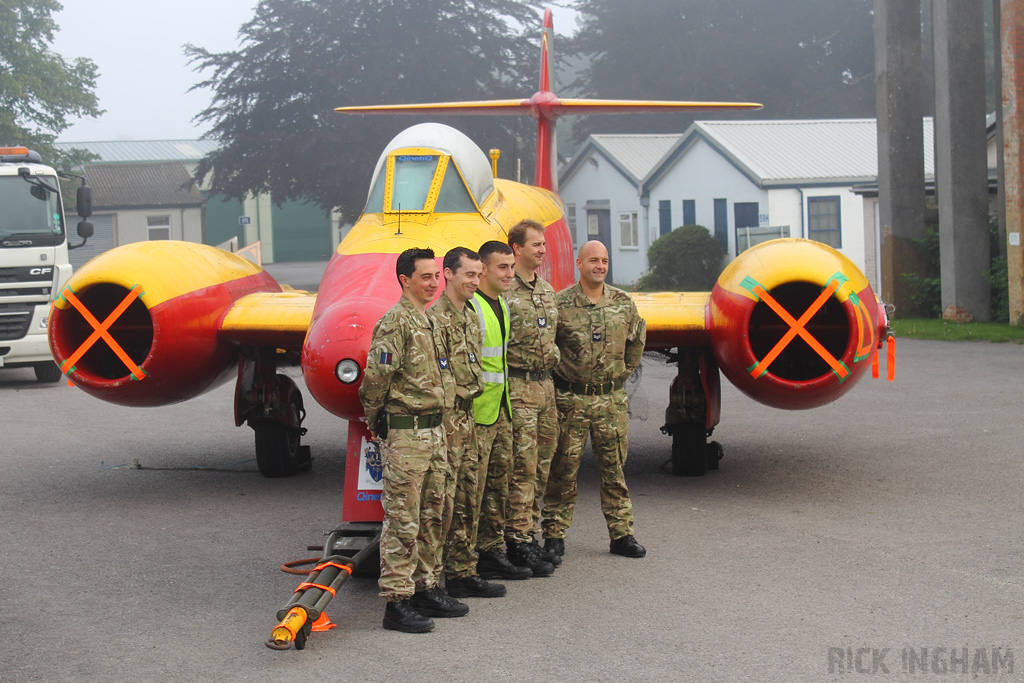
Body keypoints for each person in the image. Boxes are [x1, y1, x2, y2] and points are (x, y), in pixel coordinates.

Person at [359, 247, 468, 634]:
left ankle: (424, 587)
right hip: (407, 434)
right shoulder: (395, 322)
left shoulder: (431, 321)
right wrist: (380, 423)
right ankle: (396, 602)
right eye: (426, 277)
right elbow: (374, 381)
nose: (434, 283)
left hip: (435, 432)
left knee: (433, 514)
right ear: (405, 280)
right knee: (404, 519)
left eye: (436, 276)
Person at [541, 240, 648, 562]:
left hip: (610, 402)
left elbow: (636, 343)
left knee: (614, 471)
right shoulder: (560, 304)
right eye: (593, 261)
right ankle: (554, 536)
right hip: (570, 401)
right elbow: (548, 348)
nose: (599, 266)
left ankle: (622, 534)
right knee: (563, 472)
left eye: (604, 261)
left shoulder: (622, 303)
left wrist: (618, 379)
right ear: (579, 263)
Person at [428, 247, 507, 599]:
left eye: (478, 275)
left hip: (469, 420)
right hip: (444, 423)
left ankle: (462, 571)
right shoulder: (434, 320)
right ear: (448, 274)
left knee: (466, 500)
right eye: (469, 275)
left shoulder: (470, 317)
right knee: (438, 506)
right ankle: (428, 583)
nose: (475, 281)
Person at [470, 241, 533, 581]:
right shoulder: (473, 308)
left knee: (498, 488)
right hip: (478, 415)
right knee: (472, 493)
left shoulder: (502, 307)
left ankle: (492, 550)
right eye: (502, 268)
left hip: (501, 411)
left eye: (512, 267)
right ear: (483, 270)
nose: (510, 273)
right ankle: (465, 562)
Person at [503, 219, 559, 576]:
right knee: (520, 468)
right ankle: (518, 540)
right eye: (535, 244)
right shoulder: (505, 292)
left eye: (543, 244)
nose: (541, 249)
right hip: (519, 386)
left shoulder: (547, 290)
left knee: (541, 466)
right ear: (517, 249)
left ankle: (531, 532)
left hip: (546, 388)